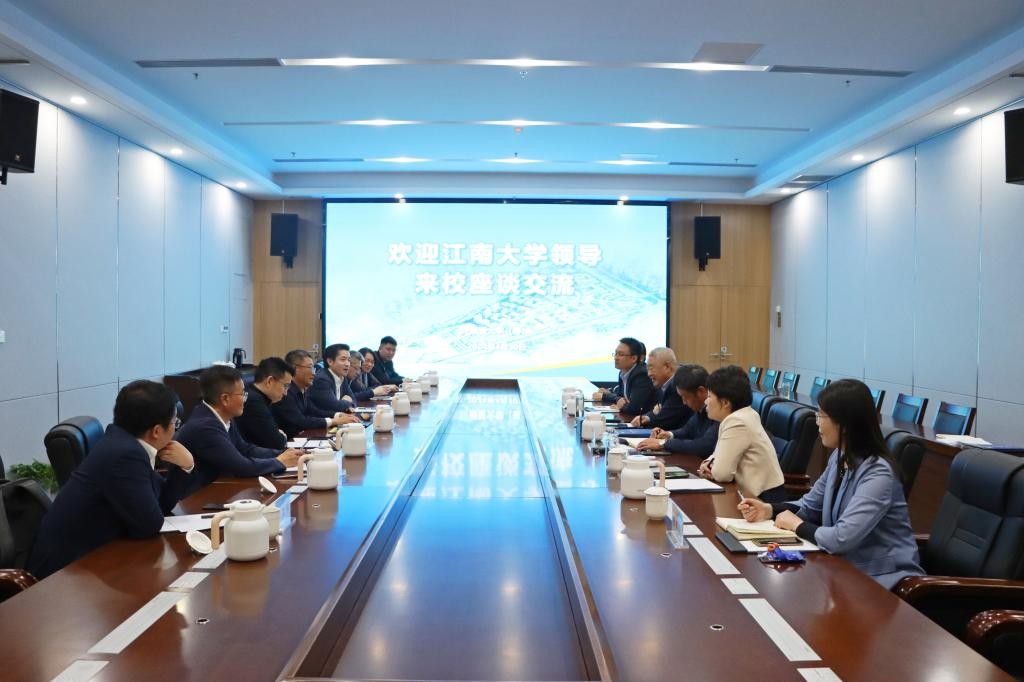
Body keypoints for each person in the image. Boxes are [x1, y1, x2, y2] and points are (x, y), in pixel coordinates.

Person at [738, 379, 924, 589]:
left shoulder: (879, 473)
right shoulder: (841, 458)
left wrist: (796, 525)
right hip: (843, 570)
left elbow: (841, 538)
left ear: (844, 424)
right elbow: (810, 505)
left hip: (883, 581)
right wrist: (769, 510)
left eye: (821, 415)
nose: (817, 422)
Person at [27, 381, 197, 579]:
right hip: (64, 573)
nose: (175, 429)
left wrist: (186, 465)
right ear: (157, 431)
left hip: (90, 562)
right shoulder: (125, 455)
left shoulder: (122, 442)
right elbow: (150, 524)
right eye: (175, 423)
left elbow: (161, 503)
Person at [170, 365, 301, 496]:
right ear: (225, 399)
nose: (245, 399)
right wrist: (280, 462)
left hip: (219, 487)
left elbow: (245, 449)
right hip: (196, 496)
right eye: (243, 394)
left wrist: (283, 453)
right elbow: (241, 466)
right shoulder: (205, 427)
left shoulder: (222, 415)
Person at [698, 365, 787, 502]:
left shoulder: (737, 422)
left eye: (709, 396)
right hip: (756, 494)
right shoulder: (746, 414)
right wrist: (708, 463)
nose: (705, 402)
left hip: (763, 499)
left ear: (725, 402)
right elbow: (718, 454)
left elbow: (722, 474)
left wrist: (711, 469)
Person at [636, 364, 719, 456]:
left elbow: (704, 446)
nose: (684, 402)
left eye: (685, 397)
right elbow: (687, 430)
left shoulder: (719, 410)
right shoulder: (700, 407)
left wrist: (663, 443)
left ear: (701, 391)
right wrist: (669, 434)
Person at [272, 349, 359, 437]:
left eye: (313, 368)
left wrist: (338, 415)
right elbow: (300, 421)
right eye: (310, 367)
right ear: (295, 369)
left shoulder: (301, 389)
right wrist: (334, 421)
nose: (314, 373)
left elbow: (314, 411)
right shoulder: (286, 391)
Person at [235, 357, 293, 449]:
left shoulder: (257, 394)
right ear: (270, 381)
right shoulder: (254, 402)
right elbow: (277, 442)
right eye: (285, 386)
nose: (286, 393)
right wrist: (282, 436)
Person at [628, 347, 692, 430]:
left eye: (651, 368)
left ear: (667, 367)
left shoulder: (679, 383)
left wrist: (652, 417)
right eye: (648, 369)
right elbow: (659, 411)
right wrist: (648, 417)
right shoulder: (662, 384)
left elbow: (666, 419)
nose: (649, 374)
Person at [592, 337, 655, 417]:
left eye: (621, 355)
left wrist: (620, 406)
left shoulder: (641, 375)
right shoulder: (623, 372)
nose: (616, 358)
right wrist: (618, 400)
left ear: (634, 358)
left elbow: (634, 408)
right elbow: (620, 397)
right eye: (616, 354)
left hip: (647, 422)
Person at [309, 343, 358, 413]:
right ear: (330, 361)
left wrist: (345, 403)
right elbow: (335, 407)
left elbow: (354, 400)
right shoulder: (322, 379)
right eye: (343, 359)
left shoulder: (342, 377)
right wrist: (346, 402)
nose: (347, 364)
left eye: (349, 360)